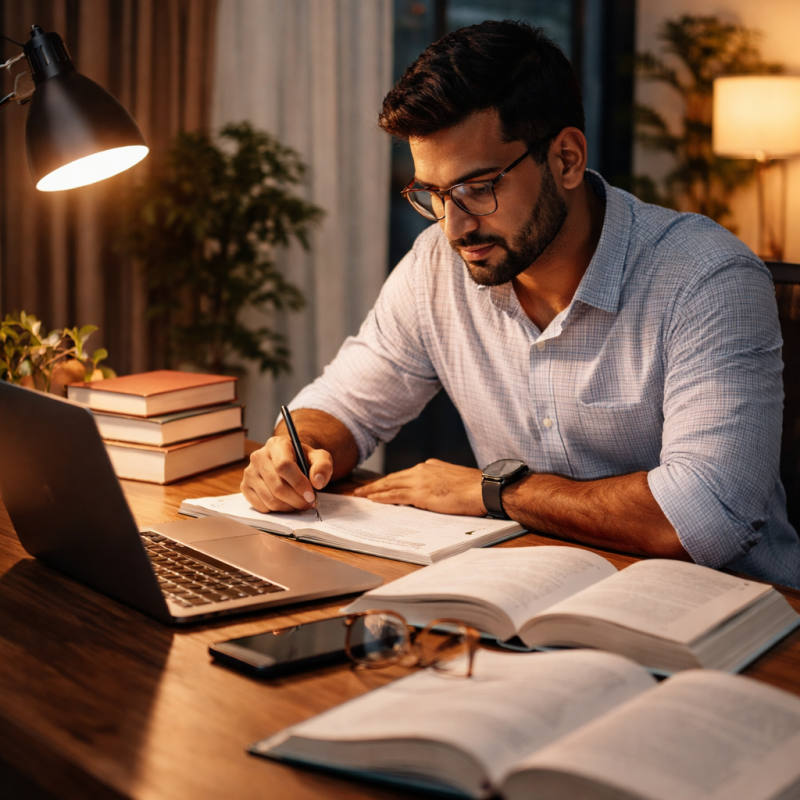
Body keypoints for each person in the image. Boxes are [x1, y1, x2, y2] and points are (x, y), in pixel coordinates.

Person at [242, 20, 800, 587]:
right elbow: (345, 404)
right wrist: (297, 447)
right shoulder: (437, 265)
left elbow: (705, 517)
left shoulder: (707, 278)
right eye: (432, 194)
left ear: (565, 159)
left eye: (478, 188)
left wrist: (498, 490)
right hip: (536, 596)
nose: (453, 226)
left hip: (735, 619)